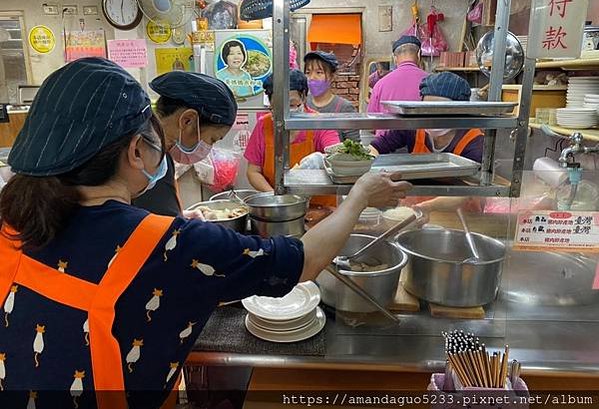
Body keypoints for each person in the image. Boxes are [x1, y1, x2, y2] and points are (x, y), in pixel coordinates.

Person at [0, 57, 410, 409]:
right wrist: (359, 196)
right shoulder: (169, 243)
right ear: (134, 150)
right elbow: (304, 261)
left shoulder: (10, 220)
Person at [133, 71, 236, 218]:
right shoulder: (145, 159)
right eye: (212, 139)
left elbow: (156, 215)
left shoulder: (160, 154)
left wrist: (183, 216)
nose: (209, 148)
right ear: (187, 120)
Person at [245, 69, 340, 193]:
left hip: (320, 206)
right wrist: (276, 198)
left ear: (304, 97)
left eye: (291, 105)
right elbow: (253, 171)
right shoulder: (264, 124)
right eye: (277, 105)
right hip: (279, 206)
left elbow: (338, 154)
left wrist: (323, 159)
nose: (284, 111)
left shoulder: (320, 123)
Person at [370, 72, 483, 163]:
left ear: (461, 111)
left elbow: (471, 184)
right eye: (428, 109)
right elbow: (376, 147)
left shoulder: (474, 143)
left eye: (443, 111)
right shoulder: (414, 127)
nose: (434, 118)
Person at [304, 51, 360, 143]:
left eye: (319, 72)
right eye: (308, 72)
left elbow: (354, 146)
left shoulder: (345, 108)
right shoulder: (303, 104)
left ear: (332, 76)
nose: (312, 77)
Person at [367, 36, 428, 115]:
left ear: (394, 58)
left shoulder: (380, 85)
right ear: (419, 54)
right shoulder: (432, 83)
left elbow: (370, 120)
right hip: (422, 127)